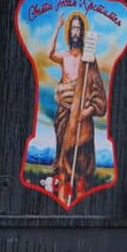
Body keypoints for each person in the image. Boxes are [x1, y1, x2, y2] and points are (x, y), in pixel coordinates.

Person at [48, 11, 108, 206]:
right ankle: (62, 191)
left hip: (81, 116)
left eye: (78, 28)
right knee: (62, 152)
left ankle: (79, 196)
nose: (75, 32)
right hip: (65, 112)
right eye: (72, 28)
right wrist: (57, 27)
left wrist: (88, 111)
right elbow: (49, 53)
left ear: (82, 33)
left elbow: (98, 92)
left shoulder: (88, 59)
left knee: (80, 158)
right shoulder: (64, 56)